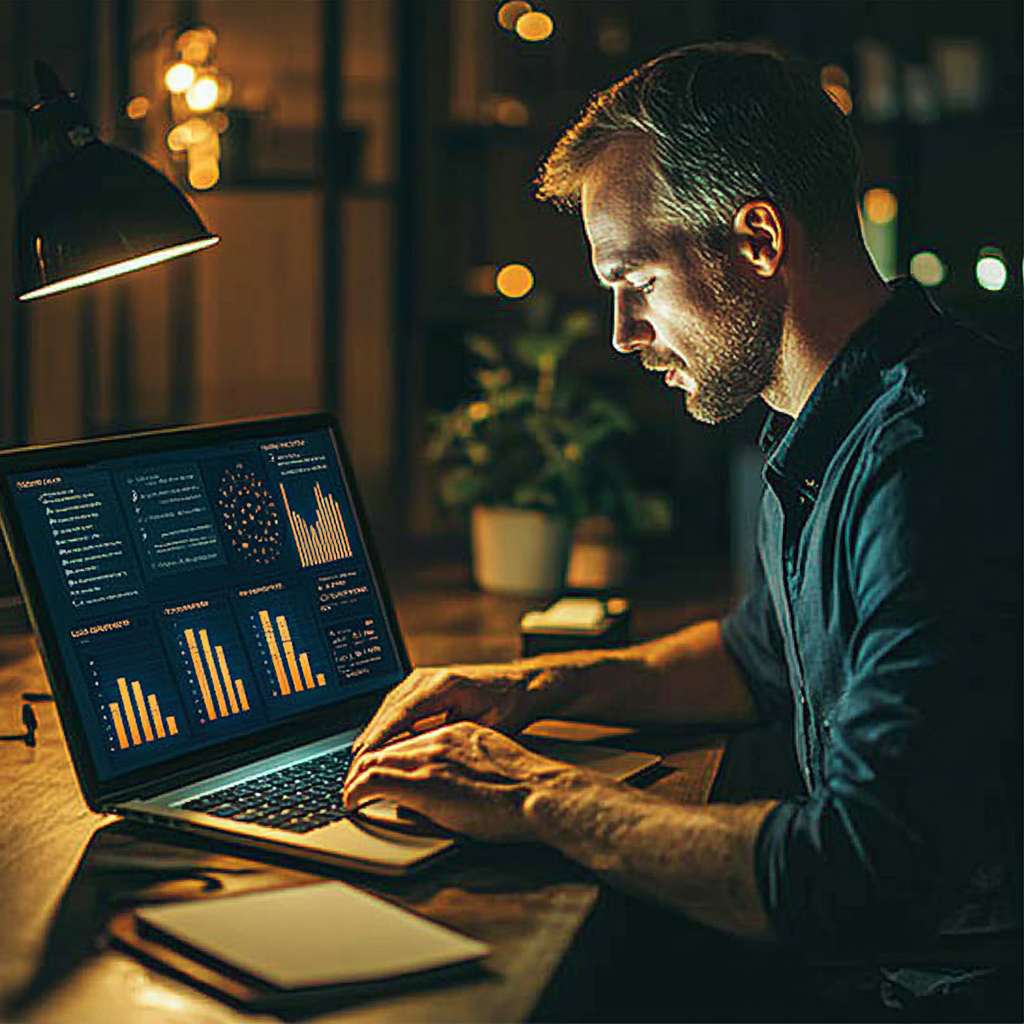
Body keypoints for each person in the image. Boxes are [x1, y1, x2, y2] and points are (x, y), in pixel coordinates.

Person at [343, 41, 1020, 1008]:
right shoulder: (830, 421)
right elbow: (758, 658)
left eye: (639, 280)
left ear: (757, 240)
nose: (624, 332)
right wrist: (527, 687)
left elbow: (862, 872)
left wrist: (534, 794)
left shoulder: (934, 455)